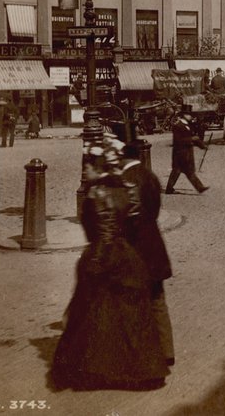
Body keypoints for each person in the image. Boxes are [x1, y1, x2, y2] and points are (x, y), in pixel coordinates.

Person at [50, 136, 169, 391]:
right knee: (128, 317)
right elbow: (136, 224)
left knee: (94, 315)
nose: (85, 170)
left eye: (89, 165)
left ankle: (93, 370)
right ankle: (144, 369)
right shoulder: (128, 189)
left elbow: (103, 234)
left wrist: (95, 263)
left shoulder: (98, 194)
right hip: (130, 259)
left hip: (107, 257)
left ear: (100, 166)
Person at [120, 135, 175, 367]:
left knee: (132, 303)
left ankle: (137, 355)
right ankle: (167, 351)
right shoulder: (151, 177)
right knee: (158, 301)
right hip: (155, 247)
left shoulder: (125, 180)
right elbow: (153, 211)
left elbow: (127, 217)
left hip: (135, 251)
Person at [165, 110, 209, 194]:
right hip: (179, 153)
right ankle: (169, 189)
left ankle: (200, 187)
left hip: (186, 153)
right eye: (190, 115)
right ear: (184, 115)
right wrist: (191, 139)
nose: (191, 117)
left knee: (186, 171)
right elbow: (178, 141)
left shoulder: (188, 125)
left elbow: (193, 137)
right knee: (177, 171)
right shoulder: (178, 126)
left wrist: (202, 146)